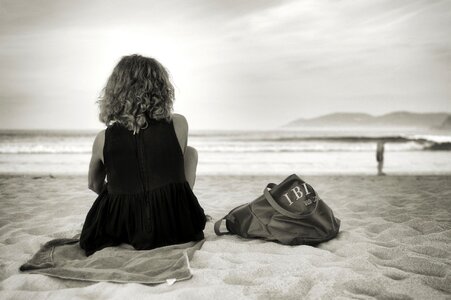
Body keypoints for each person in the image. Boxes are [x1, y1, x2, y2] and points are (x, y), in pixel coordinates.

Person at [79, 54, 207, 256]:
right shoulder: (178, 123)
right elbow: (172, 168)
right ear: (161, 89)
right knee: (189, 153)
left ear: (115, 92)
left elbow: (93, 185)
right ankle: (179, 205)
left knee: (117, 179)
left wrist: (125, 200)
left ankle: (129, 225)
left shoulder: (103, 138)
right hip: (176, 226)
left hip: (123, 228)